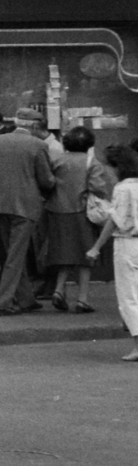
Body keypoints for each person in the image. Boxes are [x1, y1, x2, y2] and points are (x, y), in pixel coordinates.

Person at [0, 107, 56, 315]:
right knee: (15, 255)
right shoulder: (38, 145)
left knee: (12, 255)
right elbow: (46, 179)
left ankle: (26, 298)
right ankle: (2, 303)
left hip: (0, 204)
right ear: (32, 125)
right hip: (26, 206)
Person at [87, 145, 138, 360]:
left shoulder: (122, 188)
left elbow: (113, 221)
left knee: (129, 296)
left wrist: (96, 246)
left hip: (127, 243)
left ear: (117, 166)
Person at [42, 125, 99, 314]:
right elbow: (98, 188)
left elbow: (47, 182)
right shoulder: (91, 162)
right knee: (85, 256)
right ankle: (82, 299)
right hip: (81, 211)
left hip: (56, 210)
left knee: (64, 253)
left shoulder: (56, 159)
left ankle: (59, 289)